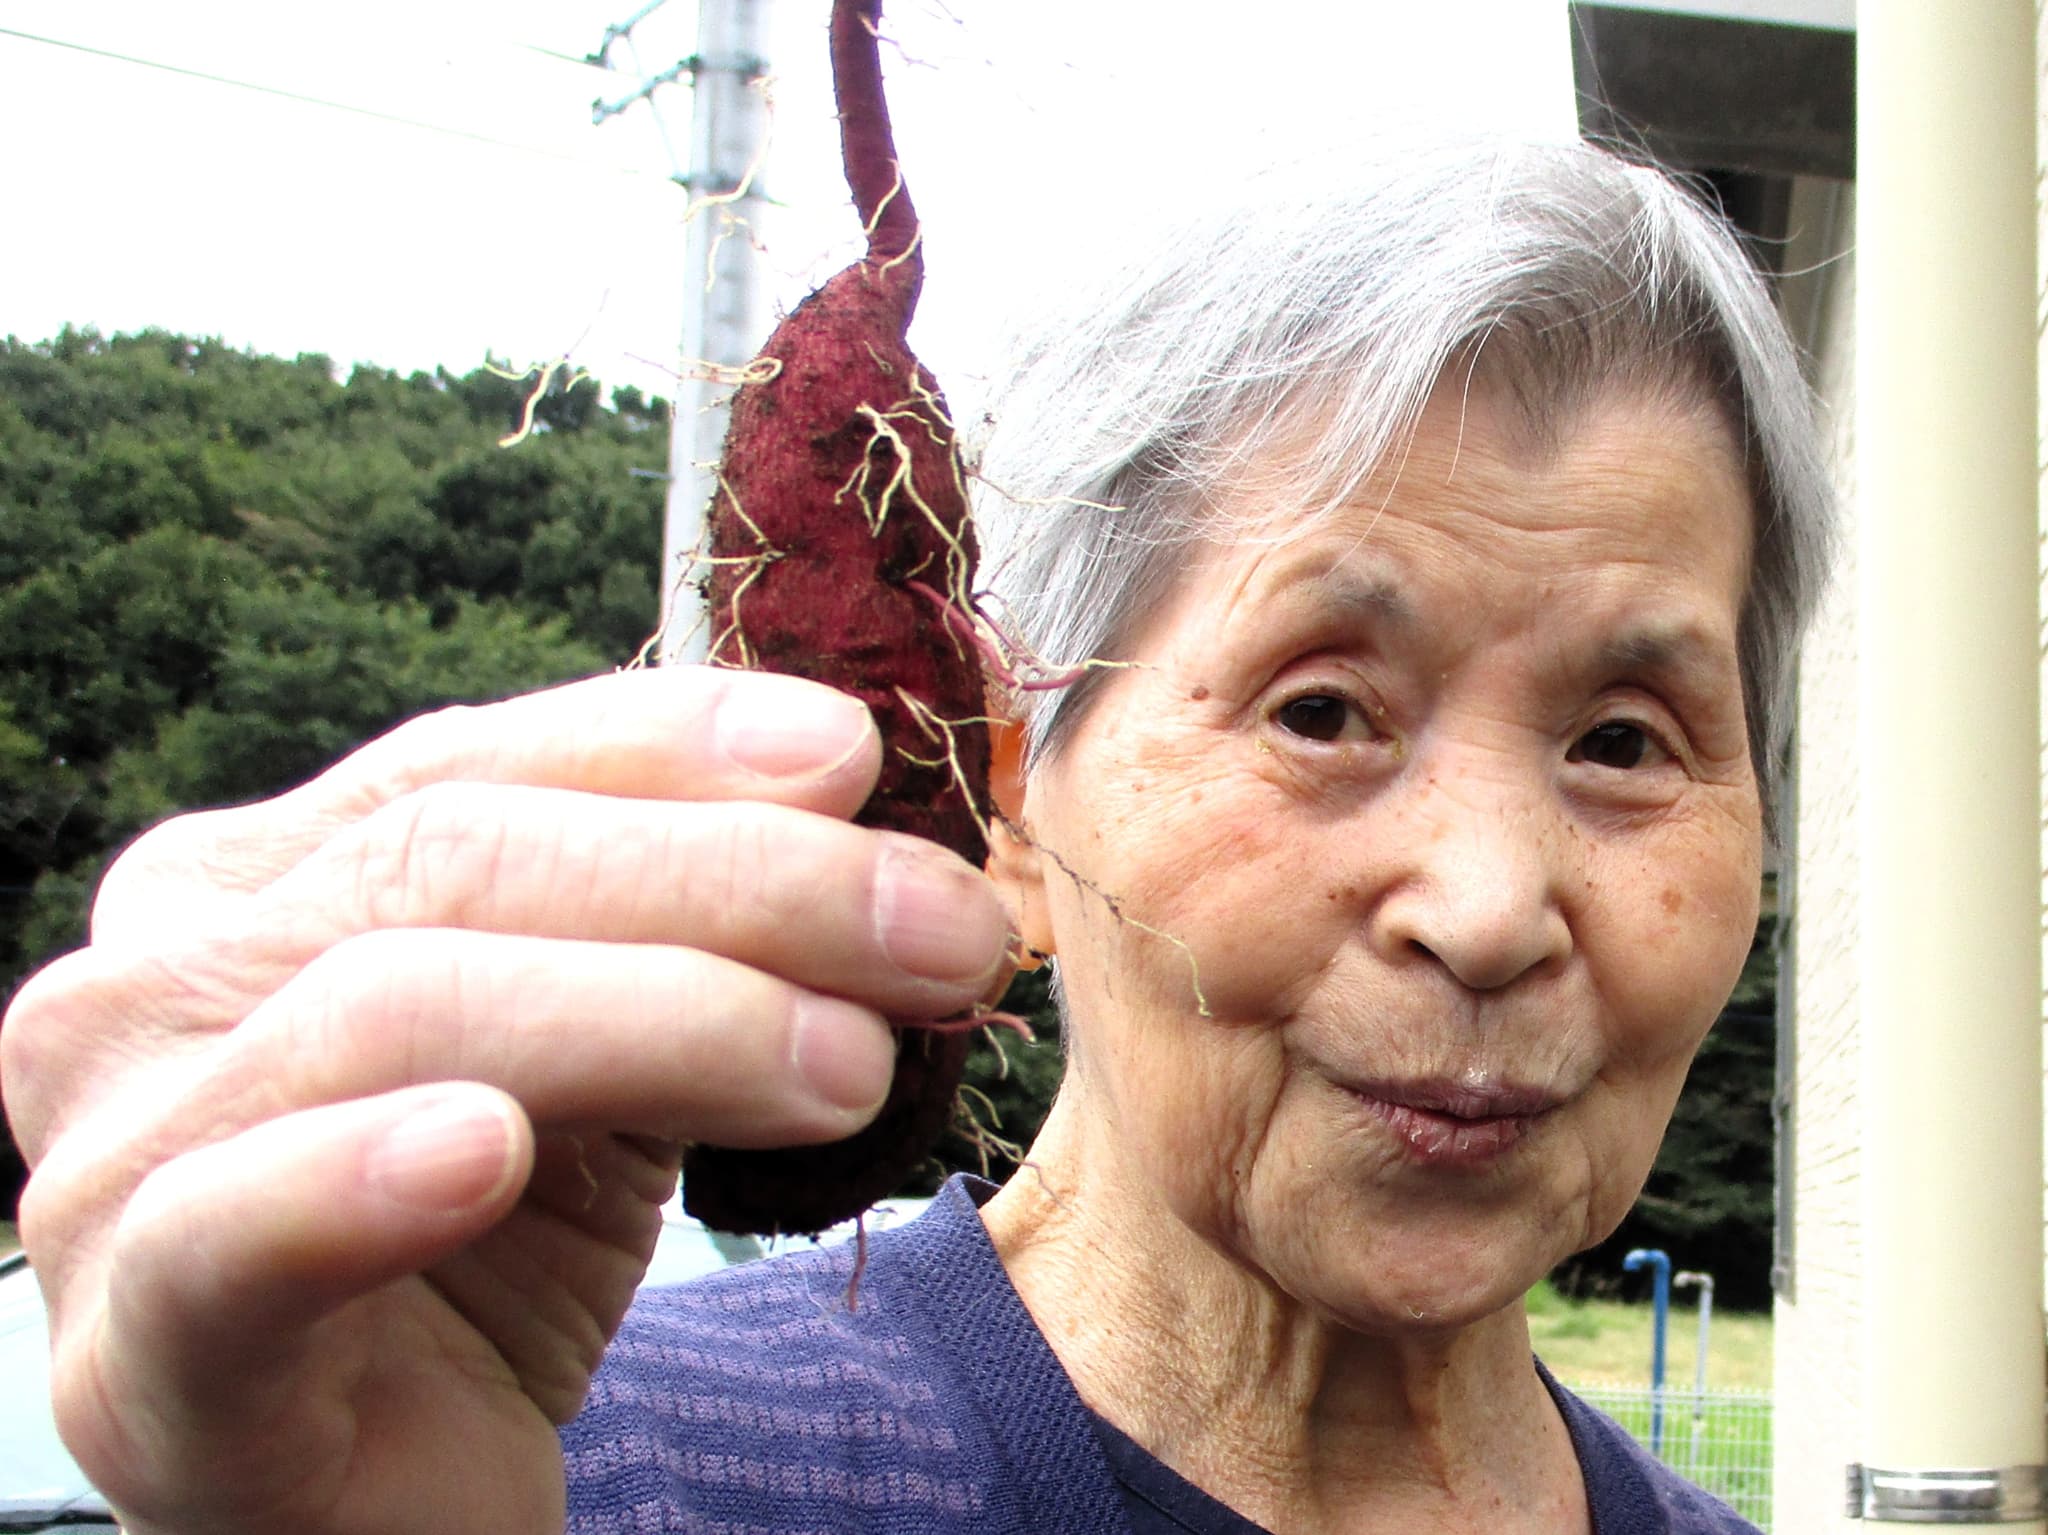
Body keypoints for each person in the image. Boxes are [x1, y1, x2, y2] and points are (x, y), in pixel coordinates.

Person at [1, 134, 1832, 1535]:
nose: (1491, 905)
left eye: (1621, 739)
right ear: (1008, 806)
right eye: (1322, 711)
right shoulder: (577, 1474)